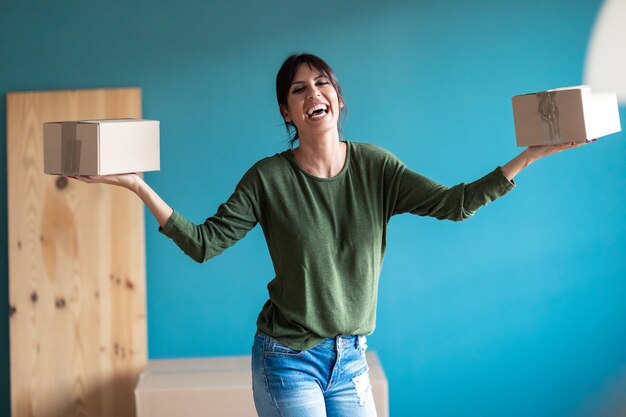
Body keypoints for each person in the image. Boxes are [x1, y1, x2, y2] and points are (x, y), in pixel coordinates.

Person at [72, 53, 586, 417]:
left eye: (322, 83)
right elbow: (204, 244)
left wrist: (533, 154)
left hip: (352, 357)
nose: (313, 93)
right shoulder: (268, 179)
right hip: (288, 359)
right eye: (299, 89)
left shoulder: (376, 167)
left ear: (338, 98)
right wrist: (137, 185)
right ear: (288, 113)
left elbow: (454, 205)